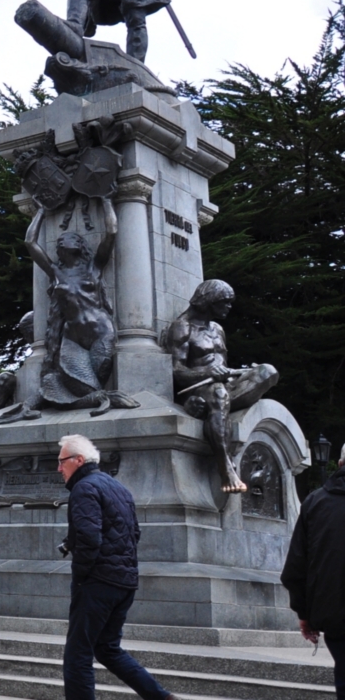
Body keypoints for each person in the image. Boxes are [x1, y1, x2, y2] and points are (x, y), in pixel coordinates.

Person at [58, 434, 180, 700]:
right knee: (107, 648)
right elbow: (133, 533)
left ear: (78, 460)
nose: (59, 468)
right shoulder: (118, 488)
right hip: (124, 582)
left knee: (78, 653)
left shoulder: (84, 488)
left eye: (62, 462)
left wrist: (81, 576)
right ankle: (161, 698)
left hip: (98, 582)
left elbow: (91, 538)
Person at [166, 279, 279, 492]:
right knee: (218, 394)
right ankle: (225, 466)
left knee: (268, 372)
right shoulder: (182, 328)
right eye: (225, 302)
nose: (229, 307)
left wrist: (239, 373)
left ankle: (207, 409)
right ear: (209, 301)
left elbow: (222, 365)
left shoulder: (217, 329)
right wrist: (208, 373)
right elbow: (175, 370)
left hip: (224, 385)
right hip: (198, 385)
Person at [281, 443, 345, 698]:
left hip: (335, 616)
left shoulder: (315, 502)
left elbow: (296, 567)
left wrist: (304, 612)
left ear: (340, 464)